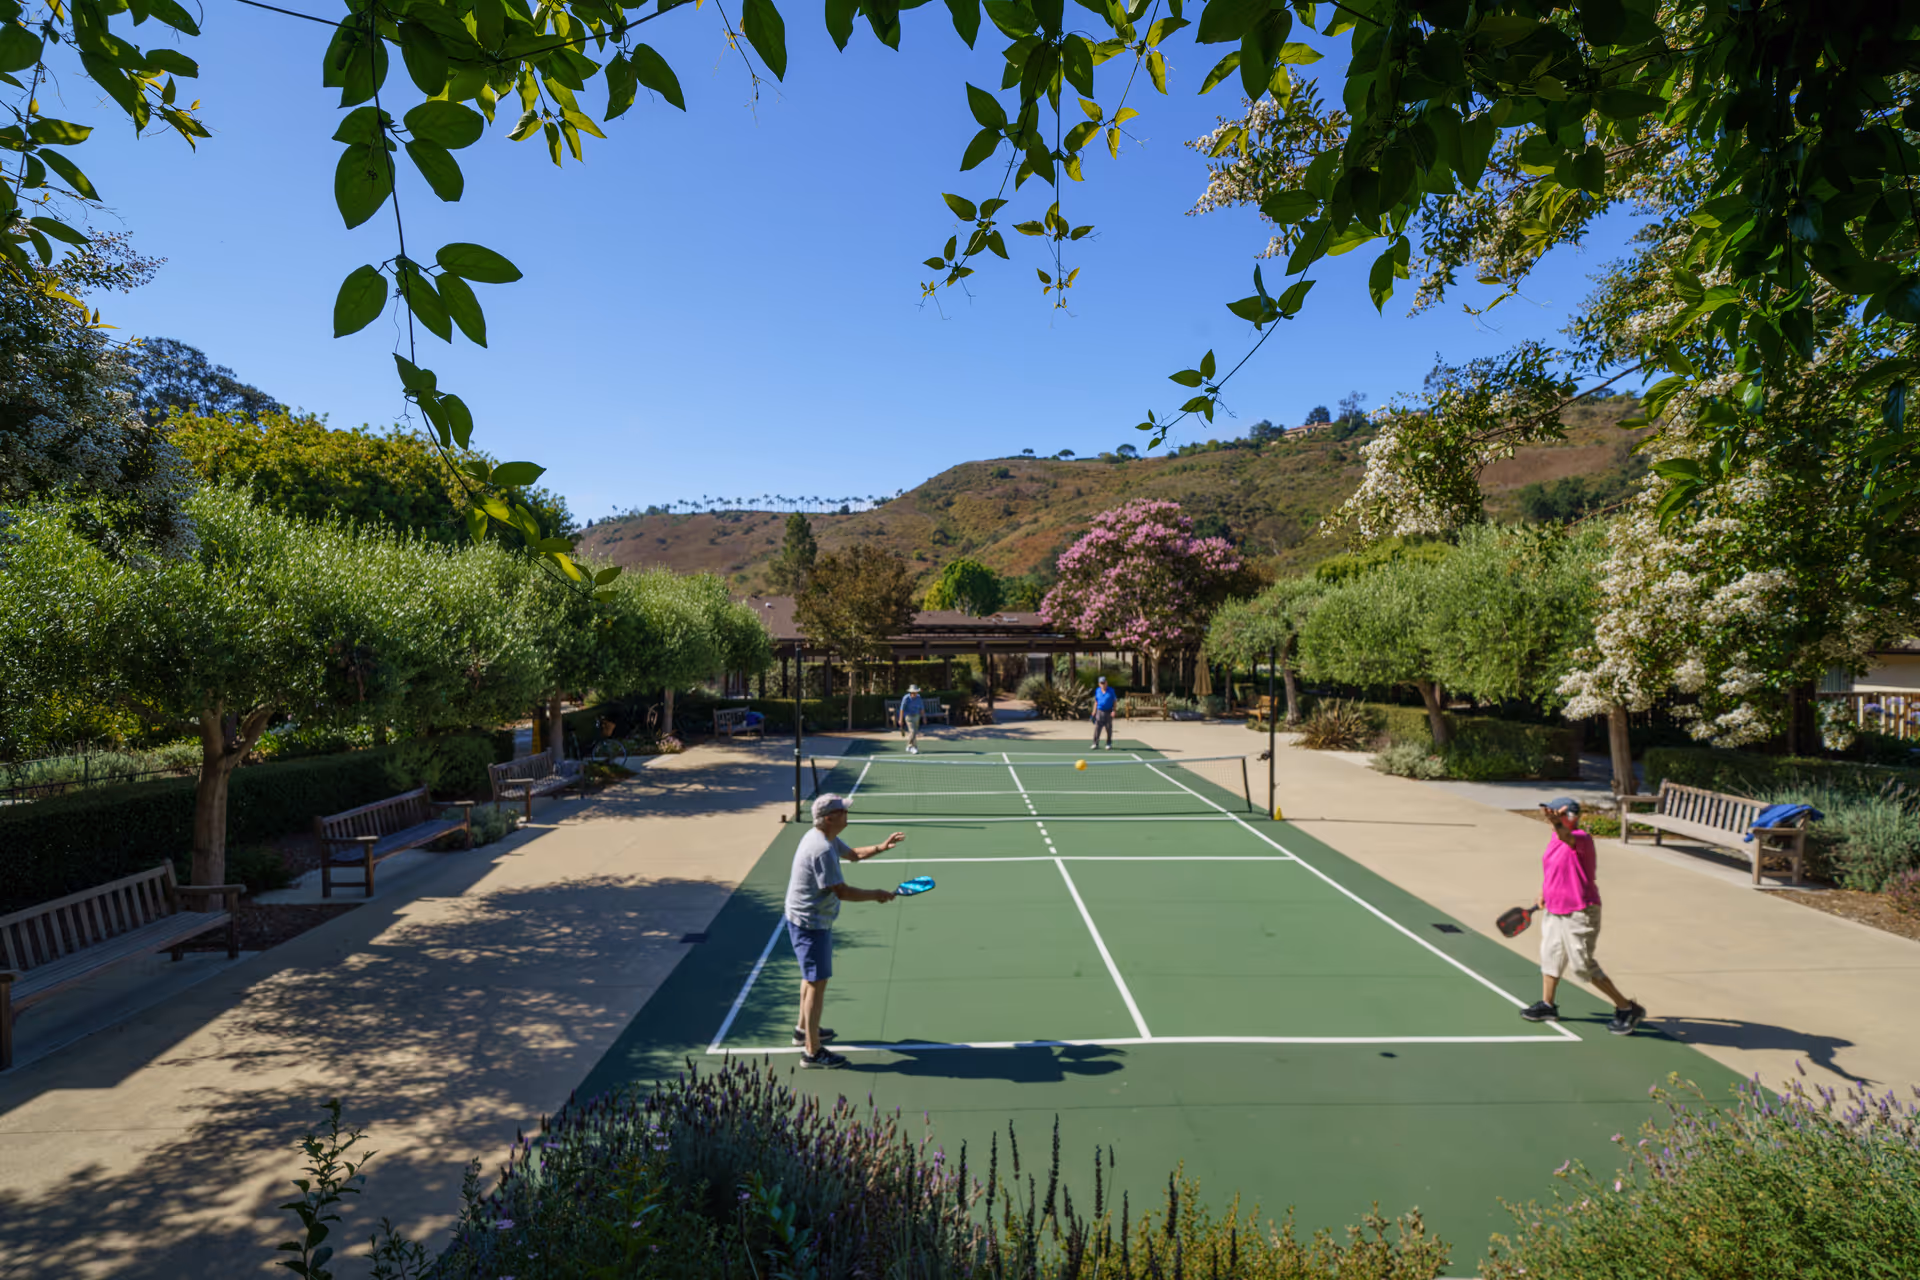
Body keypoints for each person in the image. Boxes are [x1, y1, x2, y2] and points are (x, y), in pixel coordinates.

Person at [785, 793, 906, 1068]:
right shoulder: (821, 850)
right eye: (842, 811)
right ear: (829, 818)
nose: (846, 814)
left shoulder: (824, 837)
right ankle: (812, 1052)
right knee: (817, 982)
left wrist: (882, 846)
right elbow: (842, 891)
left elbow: (853, 855)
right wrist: (877, 894)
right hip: (810, 923)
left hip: (806, 918)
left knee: (811, 977)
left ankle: (803, 1031)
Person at [1521, 797, 1646, 1035]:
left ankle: (1627, 1008)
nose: (1551, 820)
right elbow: (1551, 867)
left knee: (1582, 967)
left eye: (1558, 815)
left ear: (1571, 817)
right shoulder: (1554, 838)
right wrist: (1543, 890)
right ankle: (1547, 1005)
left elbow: (1566, 837)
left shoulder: (1581, 839)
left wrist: (1557, 823)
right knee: (1550, 956)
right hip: (1555, 909)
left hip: (1580, 912)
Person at [1090, 675, 1118, 749]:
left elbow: (1114, 701)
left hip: (1108, 711)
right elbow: (1096, 702)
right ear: (1099, 684)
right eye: (1101, 683)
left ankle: (1108, 743)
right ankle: (1095, 743)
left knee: (1108, 728)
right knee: (1097, 728)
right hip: (1100, 711)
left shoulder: (1111, 691)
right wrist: (1093, 712)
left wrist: (1114, 711)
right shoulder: (1097, 690)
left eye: (1104, 682)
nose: (1103, 684)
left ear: (1106, 683)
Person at [898, 684, 926, 754]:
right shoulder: (906, 698)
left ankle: (909, 745)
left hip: (916, 716)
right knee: (912, 731)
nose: (915, 694)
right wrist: (900, 719)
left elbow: (922, 708)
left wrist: (924, 718)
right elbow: (902, 709)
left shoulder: (919, 698)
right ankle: (914, 747)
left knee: (913, 733)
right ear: (910, 692)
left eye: (916, 692)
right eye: (913, 692)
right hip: (908, 717)